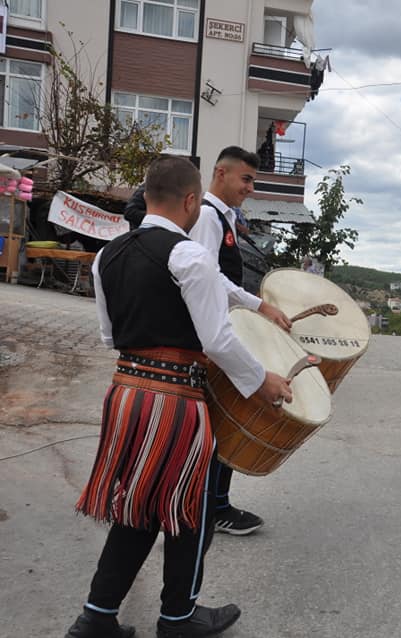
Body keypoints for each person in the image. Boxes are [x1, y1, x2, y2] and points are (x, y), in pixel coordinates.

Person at [64, 156, 292, 638]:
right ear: (191, 200)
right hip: (175, 400)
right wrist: (262, 378)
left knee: (138, 505)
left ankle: (97, 617)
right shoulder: (189, 256)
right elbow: (217, 340)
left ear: (147, 196)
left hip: (125, 394)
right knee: (190, 506)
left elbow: (109, 336)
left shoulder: (108, 255)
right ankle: (178, 616)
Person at [189, 145, 292, 536]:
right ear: (220, 173)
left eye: (253, 180)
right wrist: (257, 306)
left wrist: (260, 308)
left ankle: (217, 505)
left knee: (225, 423)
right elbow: (205, 276)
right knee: (221, 423)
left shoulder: (225, 217)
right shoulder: (208, 219)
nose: (250, 187)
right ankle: (210, 508)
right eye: (245, 179)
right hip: (209, 335)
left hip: (223, 326)